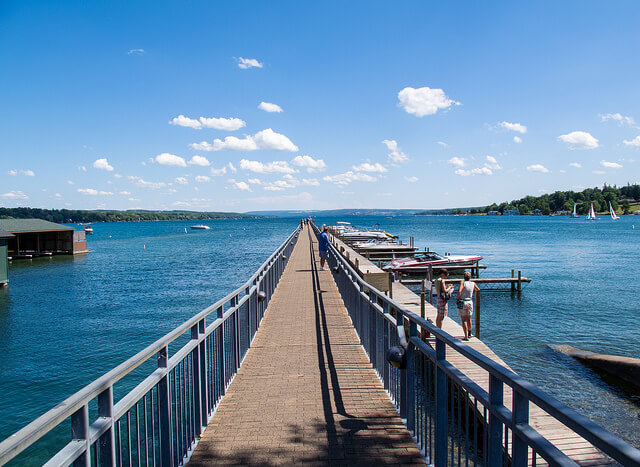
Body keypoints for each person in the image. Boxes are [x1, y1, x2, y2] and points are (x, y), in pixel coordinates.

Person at [457, 271, 479, 341]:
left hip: (463, 301)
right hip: (470, 301)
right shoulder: (473, 283)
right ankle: (469, 333)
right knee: (469, 319)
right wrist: (472, 292)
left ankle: (466, 336)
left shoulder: (462, 282)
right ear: (470, 277)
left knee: (464, 320)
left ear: (464, 277)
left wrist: (457, 299)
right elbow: (478, 289)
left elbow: (460, 290)